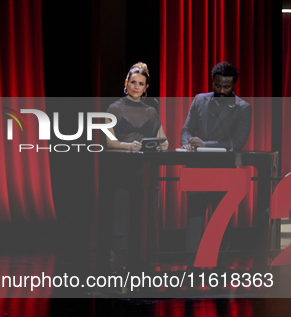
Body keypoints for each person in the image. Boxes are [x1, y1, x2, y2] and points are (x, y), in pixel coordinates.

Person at [179, 61, 252, 260]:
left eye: (226, 87)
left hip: (224, 171)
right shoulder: (199, 100)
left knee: (221, 221)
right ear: (213, 81)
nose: (221, 90)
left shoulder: (243, 108)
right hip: (196, 169)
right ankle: (192, 266)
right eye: (217, 85)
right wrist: (187, 144)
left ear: (234, 85)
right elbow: (186, 130)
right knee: (194, 219)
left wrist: (205, 144)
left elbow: (236, 143)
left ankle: (220, 266)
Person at [104, 62, 169, 271]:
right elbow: (109, 141)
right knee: (121, 214)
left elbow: (164, 141)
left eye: (140, 83)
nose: (135, 86)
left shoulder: (151, 111)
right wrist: (128, 146)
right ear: (126, 83)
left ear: (146, 87)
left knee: (142, 215)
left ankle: (139, 260)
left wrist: (161, 146)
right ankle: (120, 259)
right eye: (132, 82)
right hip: (121, 169)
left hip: (144, 171)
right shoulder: (114, 108)